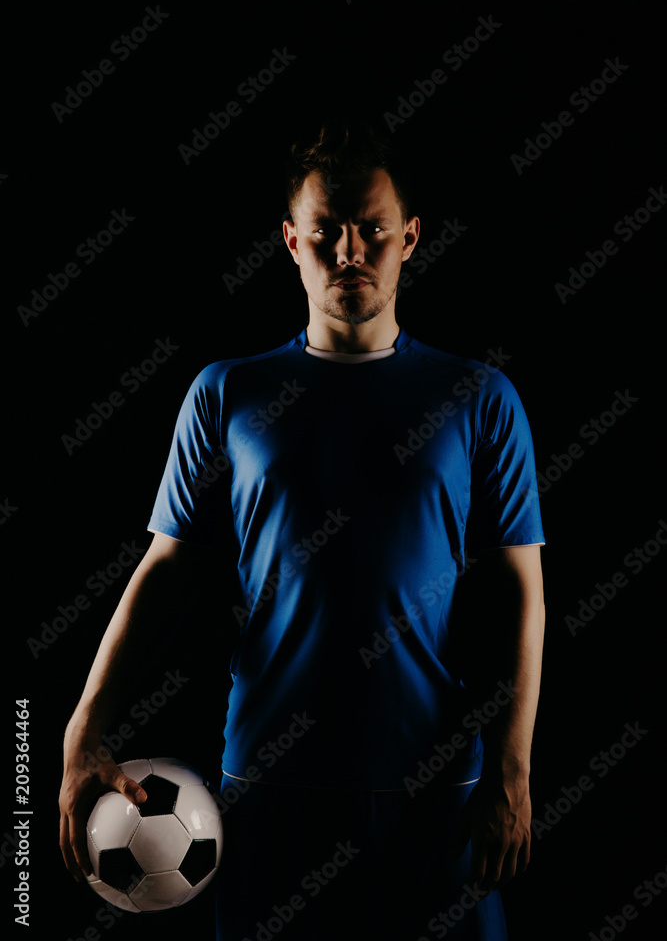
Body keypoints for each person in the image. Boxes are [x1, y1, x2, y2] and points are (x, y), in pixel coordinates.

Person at [59, 117, 546, 939]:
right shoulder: (228, 393)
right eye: (327, 233)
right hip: (270, 786)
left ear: (410, 238)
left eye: (373, 232)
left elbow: (519, 594)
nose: (350, 251)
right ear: (291, 241)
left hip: (431, 792)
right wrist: (79, 728)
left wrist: (510, 769)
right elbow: (164, 570)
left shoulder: (477, 398)